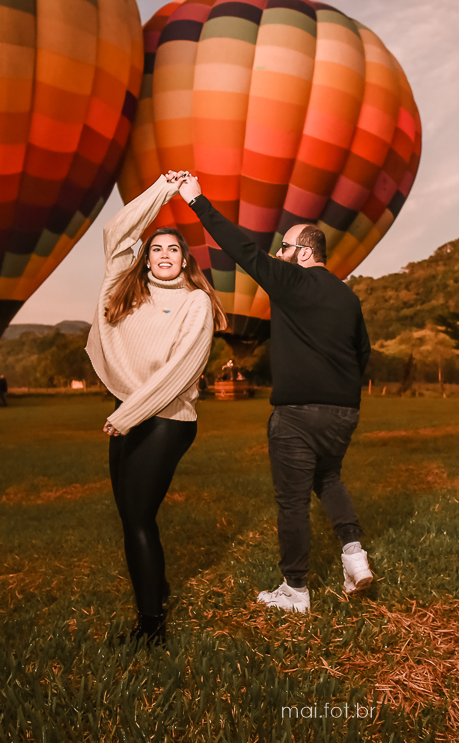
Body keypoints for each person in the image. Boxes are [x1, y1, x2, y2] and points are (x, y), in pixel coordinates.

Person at [176, 171, 374, 614]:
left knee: (292, 501)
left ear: (303, 253)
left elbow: (243, 250)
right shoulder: (348, 298)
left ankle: (295, 590)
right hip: (343, 411)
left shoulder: (291, 281)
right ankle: (353, 554)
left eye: (284, 247)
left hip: (297, 415)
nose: (277, 253)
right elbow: (362, 353)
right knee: (329, 478)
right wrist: (341, 392)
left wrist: (197, 201)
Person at [86, 173, 225, 646]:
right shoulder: (124, 289)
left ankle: (152, 626)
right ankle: (157, 587)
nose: (164, 255)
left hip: (166, 418)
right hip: (129, 410)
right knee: (130, 516)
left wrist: (128, 415)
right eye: (156, 249)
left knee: (139, 518)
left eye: (174, 249)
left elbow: (179, 373)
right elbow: (116, 232)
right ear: (146, 257)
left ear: (186, 260)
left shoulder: (195, 303)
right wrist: (162, 191)